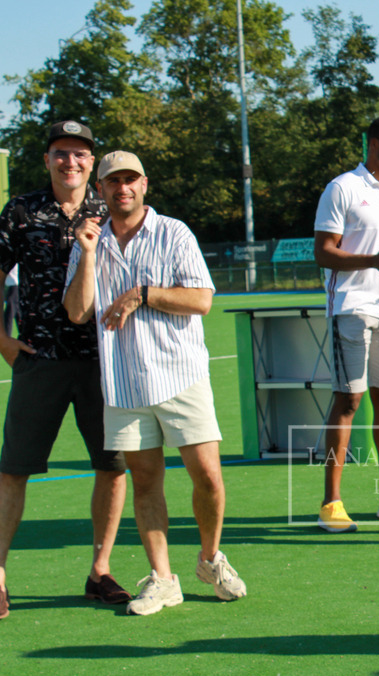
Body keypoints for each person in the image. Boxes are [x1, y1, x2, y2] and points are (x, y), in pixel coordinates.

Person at [64, 150, 247, 615]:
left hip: (180, 373)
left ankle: (210, 558)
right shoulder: (90, 240)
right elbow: (77, 312)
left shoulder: (173, 232)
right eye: (112, 182)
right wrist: (86, 254)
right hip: (124, 382)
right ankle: (163, 579)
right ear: (100, 190)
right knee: (145, 482)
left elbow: (202, 299)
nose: (121, 188)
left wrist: (142, 295)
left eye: (130, 179)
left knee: (207, 475)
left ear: (145, 184)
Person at [0, 121, 130, 620]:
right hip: (40, 360)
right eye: (61, 153)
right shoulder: (21, 211)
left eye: (79, 154)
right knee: (13, 470)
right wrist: (4, 342)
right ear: (48, 159)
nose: (70, 162)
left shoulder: (109, 208)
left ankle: (100, 572)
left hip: (104, 362)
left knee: (111, 468)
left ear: (91, 163)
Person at [314, 116, 379, 532]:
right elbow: (323, 252)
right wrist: (369, 261)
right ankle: (331, 503)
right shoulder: (342, 188)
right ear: (374, 144)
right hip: (351, 307)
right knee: (348, 402)